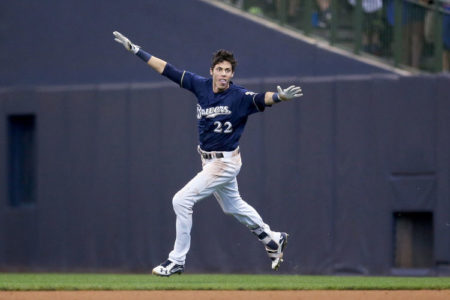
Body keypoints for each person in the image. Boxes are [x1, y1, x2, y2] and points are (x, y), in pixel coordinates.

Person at [113, 31, 303, 277]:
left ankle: (177, 261)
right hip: (209, 161)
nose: (224, 74)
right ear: (212, 71)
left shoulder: (238, 96)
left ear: (232, 74)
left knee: (181, 200)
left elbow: (261, 98)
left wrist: (279, 97)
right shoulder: (200, 85)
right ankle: (273, 239)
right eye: (220, 69)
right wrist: (137, 51)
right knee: (233, 206)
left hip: (224, 163)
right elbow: (167, 70)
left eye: (228, 70)